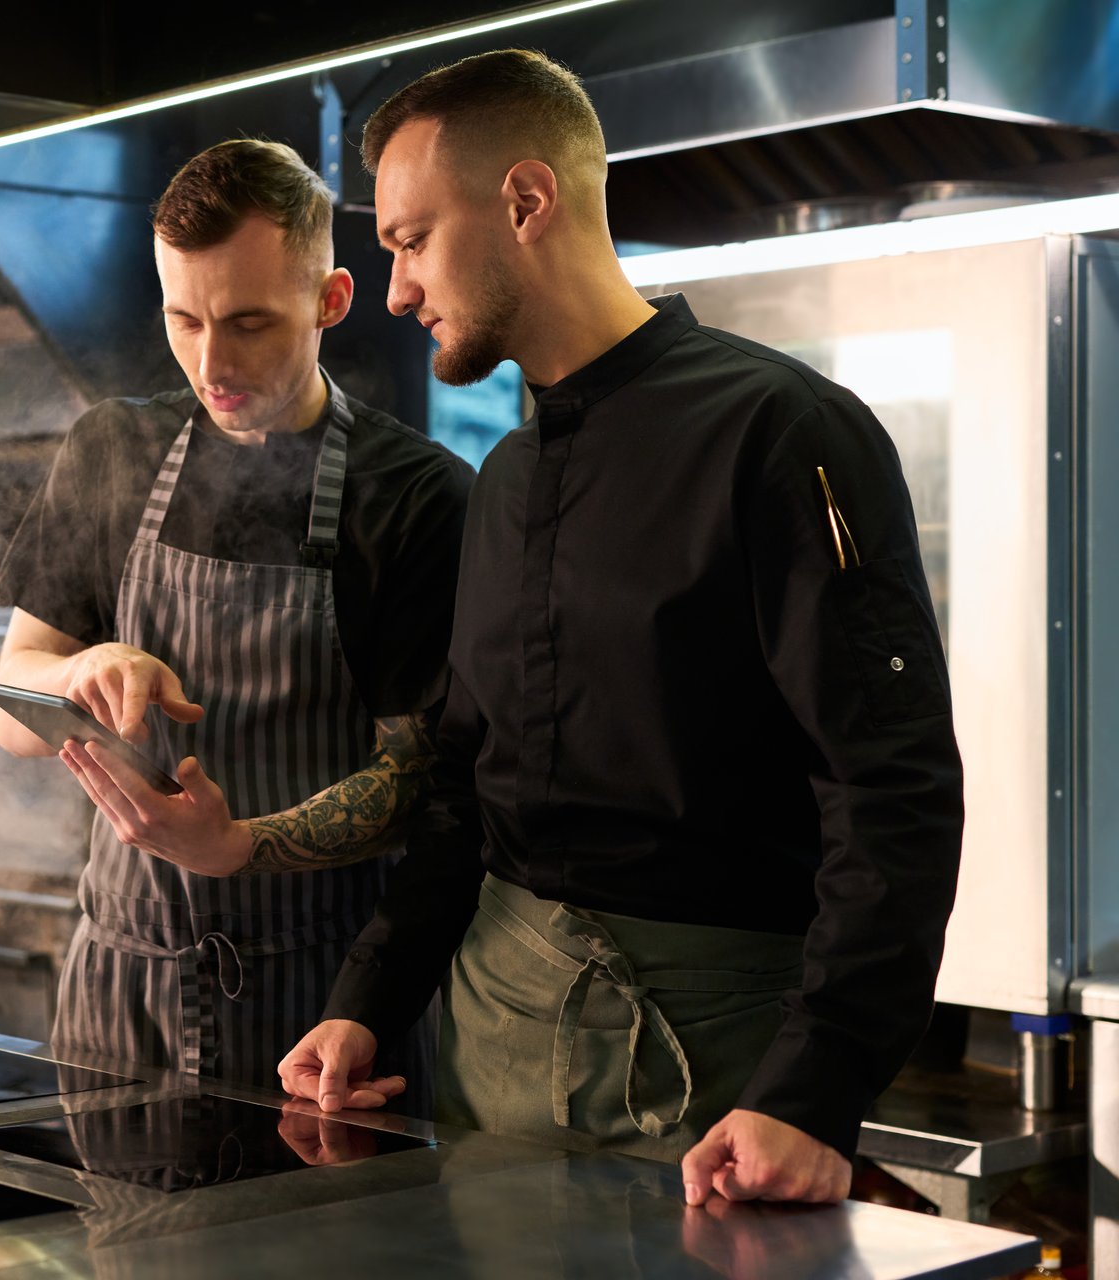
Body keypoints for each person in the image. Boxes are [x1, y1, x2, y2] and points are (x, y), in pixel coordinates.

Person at [277, 49, 964, 1206]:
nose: (394, 290)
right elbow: (462, 787)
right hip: (491, 1075)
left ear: (527, 201)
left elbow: (890, 791)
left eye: (408, 239)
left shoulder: (783, 430)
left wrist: (812, 1091)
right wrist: (366, 999)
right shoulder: (501, 477)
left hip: (717, 1084)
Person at [0, 139, 474, 1099]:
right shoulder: (111, 451)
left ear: (331, 300)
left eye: (250, 322)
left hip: (322, 1003)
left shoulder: (415, 496)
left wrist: (239, 843)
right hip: (116, 998)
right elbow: (12, 707)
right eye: (184, 318)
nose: (213, 362)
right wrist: (81, 673)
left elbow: (423, 786)